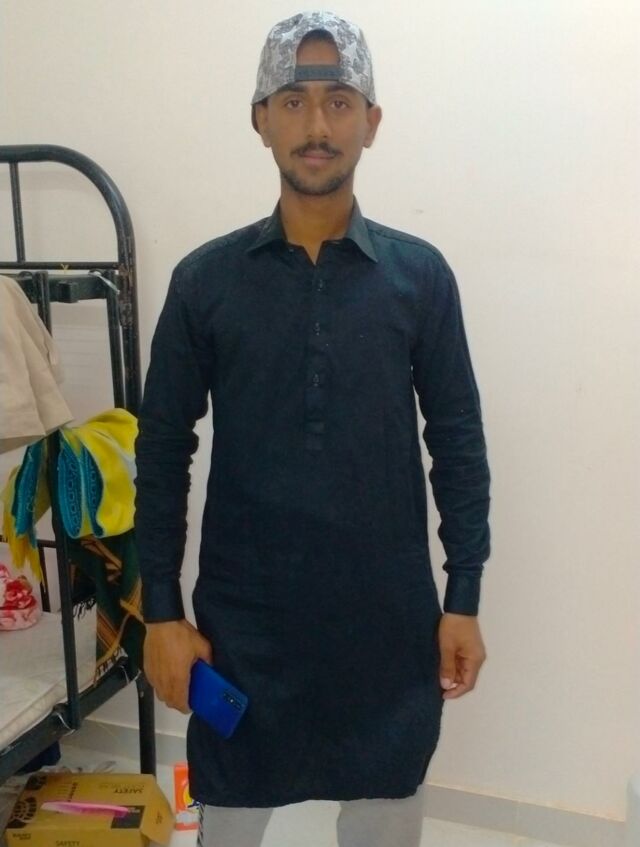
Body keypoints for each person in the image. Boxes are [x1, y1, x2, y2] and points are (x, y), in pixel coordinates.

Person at [135, 11, 491, 847]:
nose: (317, 126)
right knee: (228, 823)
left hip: (387, 630)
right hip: (243, 628)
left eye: (339, 101)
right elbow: (162, 448)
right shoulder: (205, 282)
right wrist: (161, 611)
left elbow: (458, 441)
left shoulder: (419, 278)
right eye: (293, 102)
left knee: (384, 818)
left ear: (372, 120)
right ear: (260, 119)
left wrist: (464, 597)